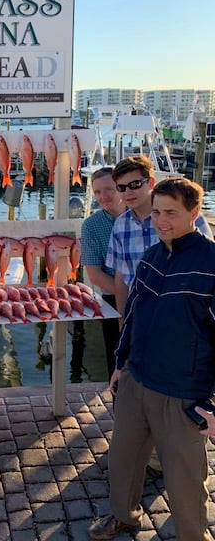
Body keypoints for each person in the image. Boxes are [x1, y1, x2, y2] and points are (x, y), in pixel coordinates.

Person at [87, 177, 215, 541]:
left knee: (185, 478)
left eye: (171, 213)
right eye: (156, 212)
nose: (160, 220)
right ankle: (124, 516)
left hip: (182, 391)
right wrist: (120, 362)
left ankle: (193, 536)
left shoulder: (211, 263)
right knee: (123, 460)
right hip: (135, 381)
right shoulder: (153, 256)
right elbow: (135, 317)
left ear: (194, 213)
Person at [105, 155, 212, 324]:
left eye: (135, 184)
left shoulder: (192, 219)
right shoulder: (120, 226)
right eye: (122, 187)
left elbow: (206, 267)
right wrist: (123, 324)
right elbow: (121, 279)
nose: (128, 192)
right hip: (140, 317)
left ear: (151, 182)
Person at [80, 167, 126, 379]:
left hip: (153, 299)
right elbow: (95, 275)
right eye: (97, 192)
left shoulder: (148, 216)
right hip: (114, 300)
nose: (103, 197)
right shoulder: (91, 225)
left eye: (108, 189)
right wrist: (127, 296)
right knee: (117, 363)